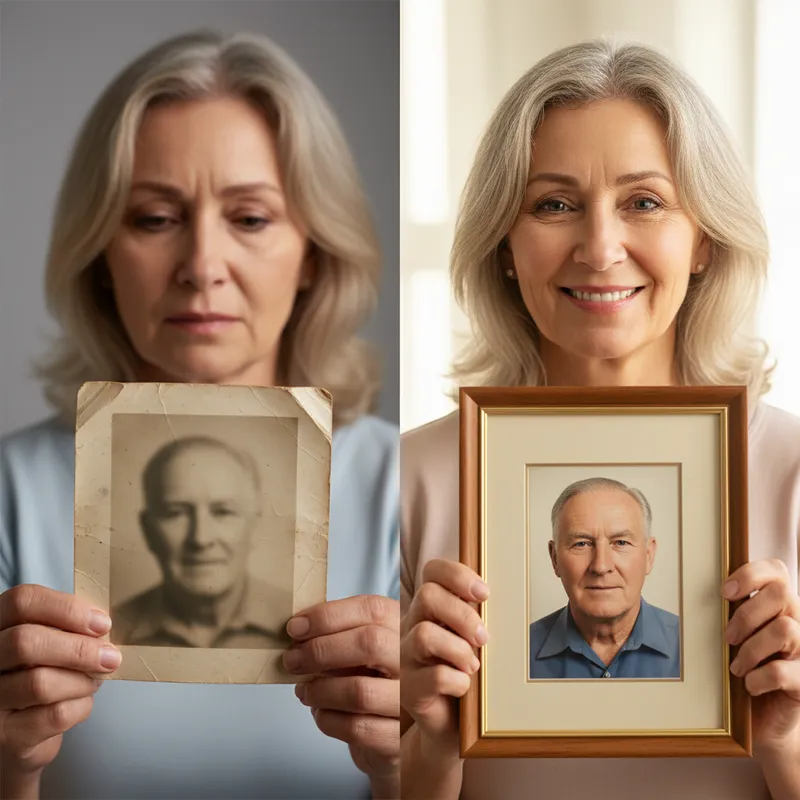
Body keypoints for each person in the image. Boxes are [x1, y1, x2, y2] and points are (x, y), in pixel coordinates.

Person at [0, 30, 399, 800]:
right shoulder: (11, 491)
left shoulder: (411, 488)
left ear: (314, 252)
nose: (202, 266)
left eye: (250, 218)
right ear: (100, 254)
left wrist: (411, 765)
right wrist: (8, 767)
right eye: (155, 218)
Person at [400, 40, 800, 800]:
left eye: (644, 202)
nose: (599, 247)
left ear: (704, 239)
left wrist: (786, 741)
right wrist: (433, 745)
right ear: (505, 245)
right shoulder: (410, 480)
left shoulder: (793, 474)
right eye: (554, 205)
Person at [112, 436, 292, 650]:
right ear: (148, 530)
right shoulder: (110, 632)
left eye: (223, 512)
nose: (201, 538)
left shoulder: (297, 623)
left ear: (255, 525)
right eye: (175, 513)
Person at [530, 477, 679, 679]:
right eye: (581, 544)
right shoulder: (513, 653)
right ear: (554, 558)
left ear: (648, 555)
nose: (601, 566)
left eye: (621, 542)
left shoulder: (701, 647)